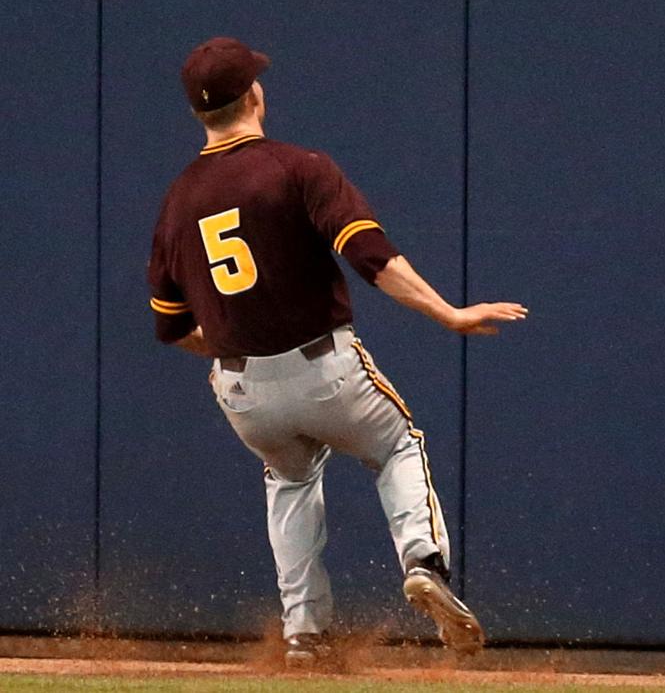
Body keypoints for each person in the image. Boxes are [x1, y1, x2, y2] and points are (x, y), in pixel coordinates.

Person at [147, 37, 527, 668]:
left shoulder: (176, 201)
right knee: (397, 444)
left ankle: (303, 634)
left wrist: (241, 345)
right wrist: (448, 313)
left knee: (290, 480)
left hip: (242, 390)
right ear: (254, 95)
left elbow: (170, 326)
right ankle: (423, 563)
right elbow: (372, 257)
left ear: (198, 114)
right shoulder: (297, 167)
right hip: (324, 368)